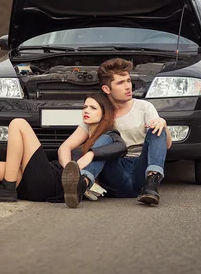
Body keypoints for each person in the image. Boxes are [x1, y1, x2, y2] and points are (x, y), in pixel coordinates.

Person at [62, 58, 172, 208]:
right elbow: (65, 147)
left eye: (128, 80)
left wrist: (163, 125)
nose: (128, 86)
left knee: (157, 125)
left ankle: (152, 185)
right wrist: (69, 172)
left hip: (142, 170)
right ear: (107, 89)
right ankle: (81, 185)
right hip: (115, 173)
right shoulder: (98, 112)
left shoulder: (145, 107)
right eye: (120, 83)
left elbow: (167, 145)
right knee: (107, 138)